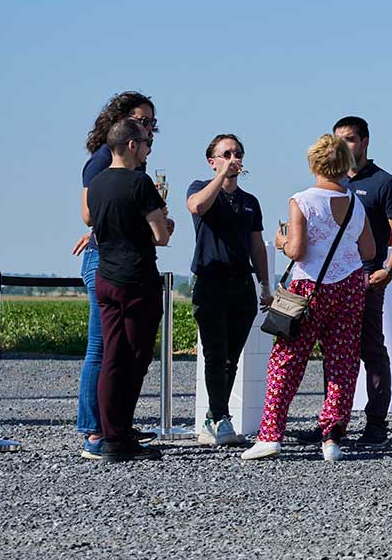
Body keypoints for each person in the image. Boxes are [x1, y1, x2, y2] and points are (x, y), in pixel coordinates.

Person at [243, 135, 375, 462]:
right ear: (345, 163)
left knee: (287, 359)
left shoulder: (302, 200)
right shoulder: (356, 202)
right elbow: (370, 250)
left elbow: (298, 250)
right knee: (342, 360)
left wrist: (281, 240)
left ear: (314, 163)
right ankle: (332, 436)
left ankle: (271, 435)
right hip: (349, 286)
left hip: (308, 287)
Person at [74, 91, 156, 459]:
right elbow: (90, 215)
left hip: (113, 260)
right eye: (143, 121)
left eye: (152, 122)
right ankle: (96, 429)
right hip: (111, 263)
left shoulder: (130, 169)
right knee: (104, 349)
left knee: (115, 352)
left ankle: (115, 425)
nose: (149, 129)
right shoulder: (104, 163)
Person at [87, 117, 174, 462]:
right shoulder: (140, 184)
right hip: (137, 279)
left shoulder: (96, 184)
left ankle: (110, 435)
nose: (149, 149)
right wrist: (167, 221)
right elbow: (161, 237)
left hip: (105, 277)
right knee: (136, 358)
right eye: (147, 142)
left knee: (111, 357)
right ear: (132, 145)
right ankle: (122, 434)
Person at [186, 133, 271, 447]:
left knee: (231, 358)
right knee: (214, 353)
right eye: (225, 154)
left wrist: (264, 284)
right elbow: (197, 207)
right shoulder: (200, 188)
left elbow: (257, 247)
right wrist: (221, 175)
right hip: (210, 283)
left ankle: (215, 415)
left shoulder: (250, 203)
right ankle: (220, 417)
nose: (232, 158)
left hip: (241, 285)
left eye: (236, 153)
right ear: (212, 161)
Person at [333, 116, 392, 447]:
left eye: (349, 139)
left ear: (365, 141)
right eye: (338, 140)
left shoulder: (384, 183)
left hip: (367, 277)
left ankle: (377, 424)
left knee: (372, 350)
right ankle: (334, 424)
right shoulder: (330, 182)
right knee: (337, 352)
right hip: (334, 279)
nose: (343, 146)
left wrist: (389, 269)